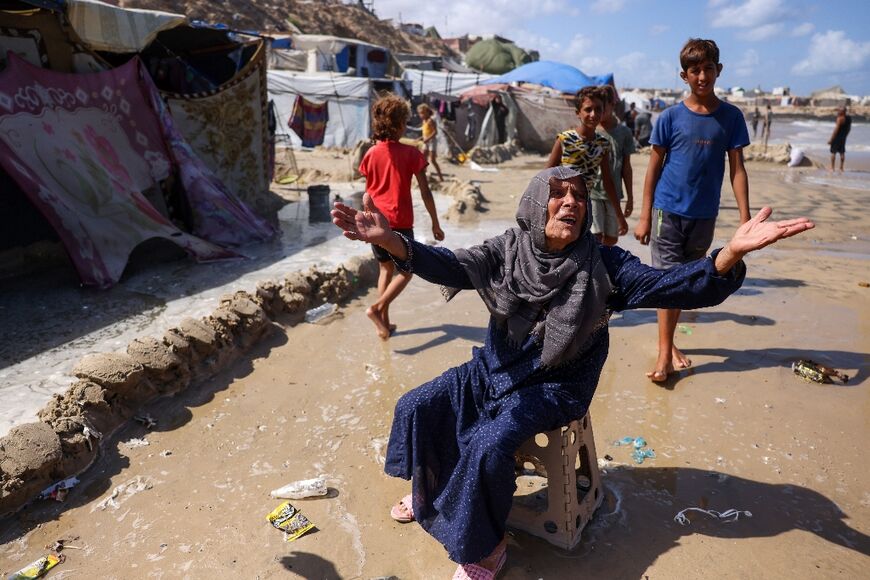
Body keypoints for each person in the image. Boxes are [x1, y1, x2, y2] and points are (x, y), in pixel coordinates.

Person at [331, 166, 813, 579]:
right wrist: (390, 239)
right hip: (493, 370)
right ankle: (431, 489)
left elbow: (672, 285)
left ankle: (487, 549)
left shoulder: (604, 265)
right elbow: (452, 265)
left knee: (489, 443)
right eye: (558, 194)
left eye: (579, 196)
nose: (571, 203)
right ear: (535, 203)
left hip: (559, 387)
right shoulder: (508, 249)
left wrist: (728, 255)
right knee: (416, 404)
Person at [634, 38, 751, 383]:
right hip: (666, 211)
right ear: (683, 76)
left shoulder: (731, 117)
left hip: (704, 215)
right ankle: (664, 352)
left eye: (708, 68)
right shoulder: (670, 117)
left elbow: (738, 169)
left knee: (685, 281)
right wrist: (643, 216)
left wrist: (746, 219)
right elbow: (653, 168)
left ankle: (669, 344)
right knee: (668, 281)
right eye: (695, 70)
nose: (702, 75)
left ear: (719, 70)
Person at [358, 95, 444, 339]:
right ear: (398, 125)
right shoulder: (411, 153)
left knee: (385, 269)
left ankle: (383, 324)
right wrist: (436, 223)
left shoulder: (370, 154)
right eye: (405, 122)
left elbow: (369, 190)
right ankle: (376, 309)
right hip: (398, 222)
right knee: (407, 271)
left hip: (374, 221)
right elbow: (425, 191)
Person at [546, 86, 628, 240]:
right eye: (588, 109)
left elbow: (608, 181)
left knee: (584, 244)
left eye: (598, 109)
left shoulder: (602, 145)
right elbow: (546, 176)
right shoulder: (565, 140)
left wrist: (619, 214)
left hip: (583, 205)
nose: (593, 114)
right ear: (578, 112)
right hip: (561, 205)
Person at [590, 84, 635, 246]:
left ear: (612, 105)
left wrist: (630, 198)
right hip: (592, 194)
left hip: (614, 195)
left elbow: (626, 168)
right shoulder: (590, 131)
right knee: (594, 238)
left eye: (602, 107)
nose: (598, 112)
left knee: (611, 239)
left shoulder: (624, 133)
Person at [418, 103, 445, 182]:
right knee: (423, 158)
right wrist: (422, 138)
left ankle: (441, 177)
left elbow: (435, 132)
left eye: (422, 113)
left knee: (432, 160)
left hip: (432, 141)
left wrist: (427, 139)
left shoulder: (431, 121)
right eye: (420, 113)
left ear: (427, 112)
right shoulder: (424, 121)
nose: (421, 115)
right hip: (426, 141)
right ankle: (424, 174)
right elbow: (425, 132)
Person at [828, 106, 852, 172]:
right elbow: (849, 128)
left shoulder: (839, 119)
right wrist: (845, 135)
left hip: (837, 137)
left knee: (833, 152)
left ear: (842, 112)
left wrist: (831, 139)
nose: (838, 111)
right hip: (843, 137)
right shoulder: (849, 118)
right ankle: (841, 168)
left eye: (839, 111)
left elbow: (836, 130)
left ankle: (832, 168)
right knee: (842, 152)